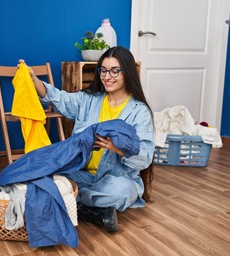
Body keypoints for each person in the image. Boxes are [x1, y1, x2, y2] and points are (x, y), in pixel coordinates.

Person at [21, 46, 155, 232]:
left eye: (115, 71)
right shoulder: (89, 99)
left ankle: (73, 201)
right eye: (103, 70)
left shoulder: (139, 112)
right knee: (48, 177)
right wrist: (33, 79)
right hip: (81, 174)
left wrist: (118, 148)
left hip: (115, 180)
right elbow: (59, 99)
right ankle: (90, 209)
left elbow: (145, 157)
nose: (107, 76)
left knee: (122, 191)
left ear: (128, 72)